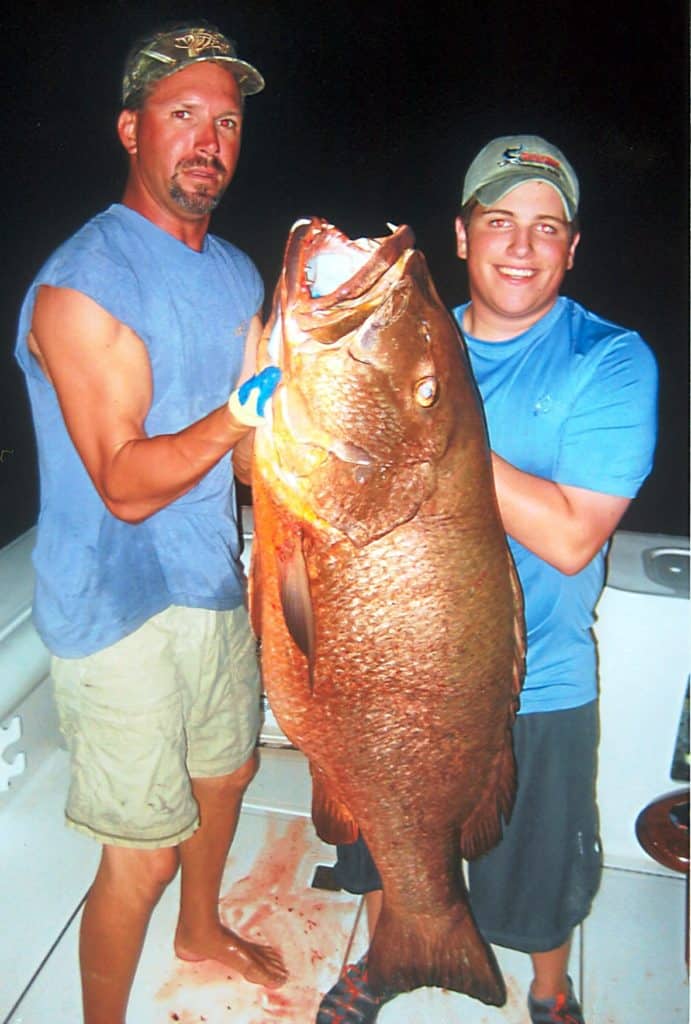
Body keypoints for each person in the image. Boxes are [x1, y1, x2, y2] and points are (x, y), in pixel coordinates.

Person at [316, 135, 658, 1024]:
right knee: (386, 839)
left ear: (571, 250)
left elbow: (574, 537)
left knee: (537, 883)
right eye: (498, 220)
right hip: (380, 668)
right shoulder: (400, 345)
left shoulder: (610, 361)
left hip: (535, 683)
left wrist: (423, 420)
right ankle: (384, 961)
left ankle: (548, 991)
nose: (520, 244)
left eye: (546, 229)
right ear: (461, 237)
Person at [14, 22, 286, 1024]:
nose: (209, 138)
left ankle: (202, 927)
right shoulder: (83, 283)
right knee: (141, 852)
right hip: (114, 606)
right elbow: (125, 482)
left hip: (208, 577)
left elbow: (247, 460)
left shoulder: (237, 275)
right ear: (131, 129)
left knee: (229, 770)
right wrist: (239, 413)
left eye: (227, 119)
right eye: (183, 115)